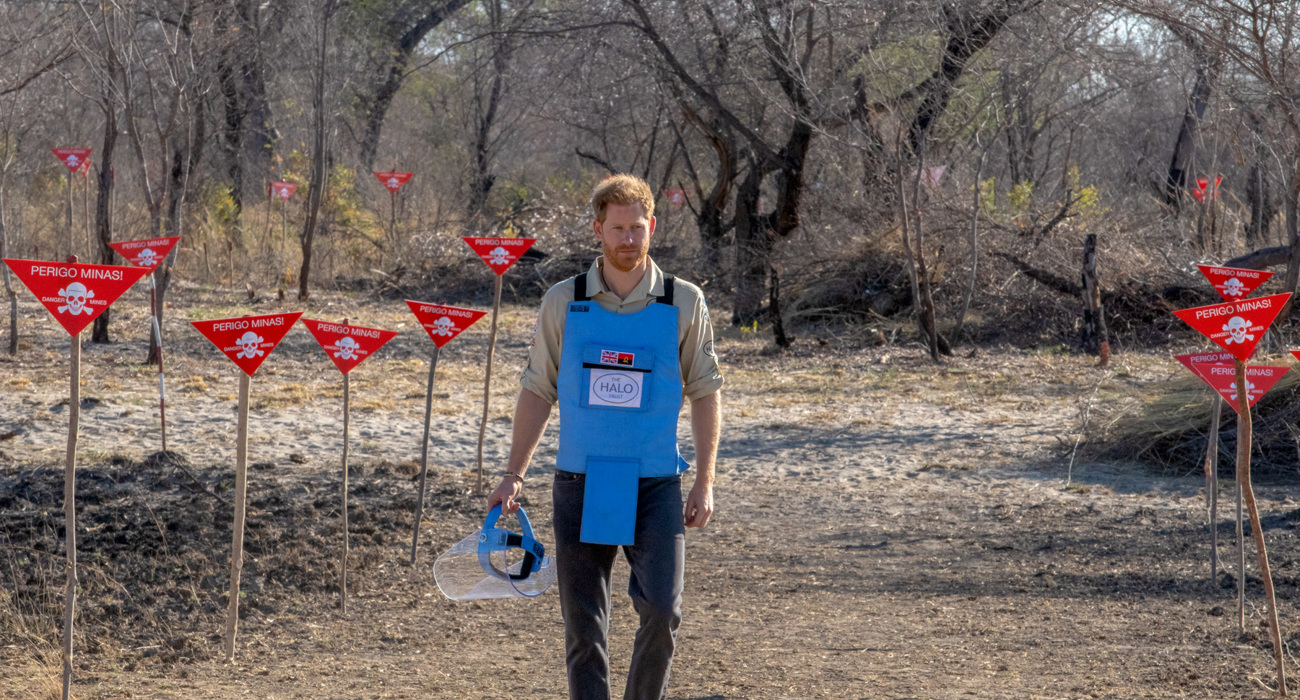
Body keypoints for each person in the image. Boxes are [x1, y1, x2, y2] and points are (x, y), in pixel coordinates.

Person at [487, 174, 723, 700]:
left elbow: (706, 392)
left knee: (663, 610)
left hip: (656, 485)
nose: (628, 240)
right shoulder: (562, 302)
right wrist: (513, 475)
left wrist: (704, 480)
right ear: (598, 230)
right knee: (584, 629)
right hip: (581, 482)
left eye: (637, 228)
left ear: (652, 228)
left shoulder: (682, 302)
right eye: (617, 229)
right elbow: (536, 390)